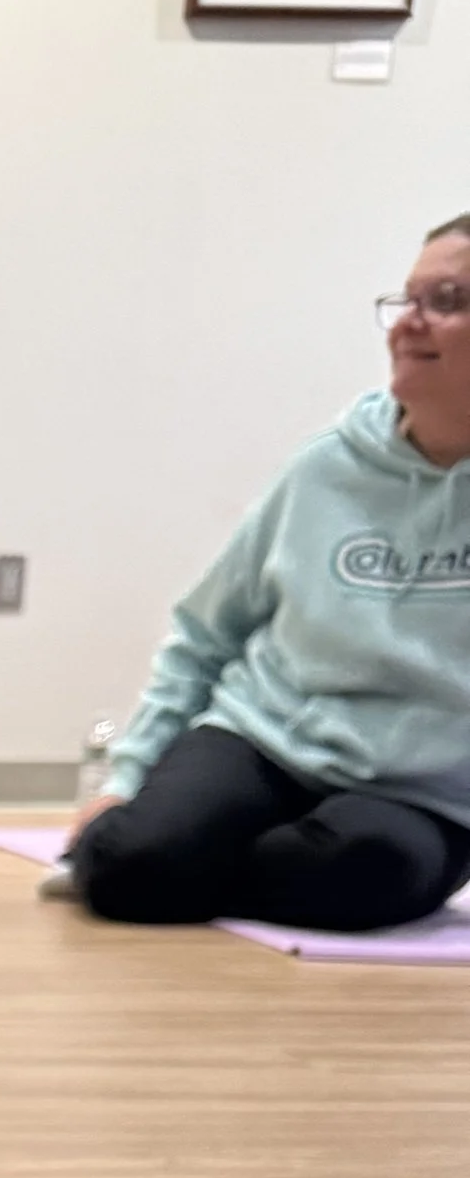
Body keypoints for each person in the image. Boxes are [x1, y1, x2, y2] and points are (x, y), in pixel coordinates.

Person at [65, 214, 470, 932]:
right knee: (135, 868)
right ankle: (177, 856)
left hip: (422, 796)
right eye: (405, 299)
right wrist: (125, 780)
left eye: (446, 300)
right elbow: (203, 633)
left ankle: (205, 867)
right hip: (266, 741)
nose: (408, 323)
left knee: (363, 866)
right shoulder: (326, 469)